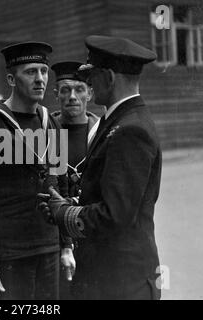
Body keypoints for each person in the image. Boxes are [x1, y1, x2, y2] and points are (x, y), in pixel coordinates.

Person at [38, 35, 162, 300]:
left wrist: (66, 214)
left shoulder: (129, 129)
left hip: (121, 282)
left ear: (108, 77)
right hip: (111, 276)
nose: (89, 83)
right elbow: (110, 194)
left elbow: (116, 215)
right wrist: (68, 202)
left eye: (91, 75)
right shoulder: (118, 120)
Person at [0, 41, 71, 300]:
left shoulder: (52, 123)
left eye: (44, 71)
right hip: (7, 253)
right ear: (12, 79)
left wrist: (66, 246)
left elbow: (60, 188)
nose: (40, 79)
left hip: (48, 249)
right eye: (31, 72)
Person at [50, 61, 99, 299]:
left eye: (79, 89)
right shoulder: (45, 132)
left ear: (90, 92)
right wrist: (64, 245)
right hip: (58, 240)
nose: (72, 96)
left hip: (94, 235)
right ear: (55, 94)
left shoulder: (102, 131)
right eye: (65, 90)